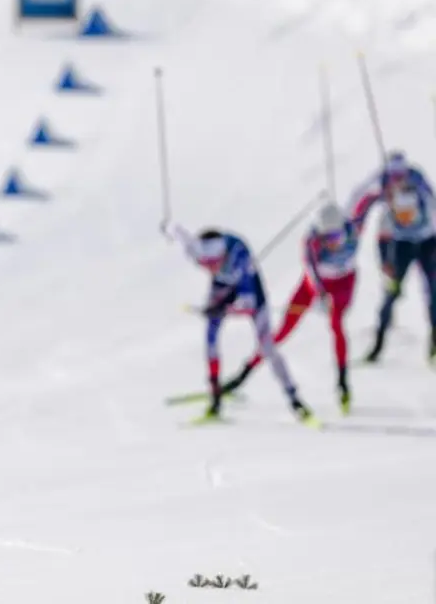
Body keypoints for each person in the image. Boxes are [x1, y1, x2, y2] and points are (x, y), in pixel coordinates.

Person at [162, 220, 316, 425]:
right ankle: (215, 398)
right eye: (206, 264)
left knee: (267, 347)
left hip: (249, 291)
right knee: (210, 337)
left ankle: (294, 398)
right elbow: (180, 234)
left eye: (214, 263)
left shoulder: (240, 256)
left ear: (223, 255)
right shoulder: (196, 252)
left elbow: (248, 302)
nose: (210, 268)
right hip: (222, 287)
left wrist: (223, 308)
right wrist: (168, 228)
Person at [217, 201, 363, 412]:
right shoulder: (312, 240)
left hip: (343, 284)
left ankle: (342, 383)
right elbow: (311, 271)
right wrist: (320, 294)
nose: (332, 243)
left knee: (337, 325)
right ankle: (243, 374)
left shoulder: (353, 229)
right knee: (282, 331)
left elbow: (364, 201)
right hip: (315, 284)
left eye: (336, 237)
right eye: (327, 238)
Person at [348, 150, 436, 363]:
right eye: (394, 175)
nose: (398, 179)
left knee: (433, 293)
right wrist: (354, 227)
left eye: (401, 175)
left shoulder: (417, 180)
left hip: (427, 242)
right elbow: (362, 200)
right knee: (391, 292)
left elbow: (431, 199)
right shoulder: (383, 182)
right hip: (401, 245)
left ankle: (434, 345)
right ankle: (377, 346)